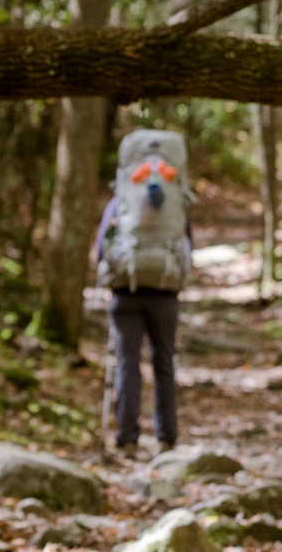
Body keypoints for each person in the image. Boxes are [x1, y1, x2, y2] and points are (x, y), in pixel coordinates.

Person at [94, 192, 190, 460]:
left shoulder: (120, 200)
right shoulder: (175, 201)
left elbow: (102, 247)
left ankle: (127, 440)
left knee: (126, 363)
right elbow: (186, 245)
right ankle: (166, 439)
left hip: (126, 293)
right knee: (164, 364)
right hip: (165, 295)